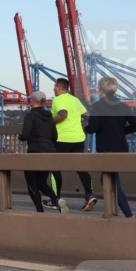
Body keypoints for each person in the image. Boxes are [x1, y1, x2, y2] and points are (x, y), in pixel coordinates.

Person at [86, 77, 136, 218]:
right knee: (109, 178)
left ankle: (127, 214)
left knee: (112, 180)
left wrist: (85, 126)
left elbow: (93, 128)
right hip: (121, 147)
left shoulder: (98, 106)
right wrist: (122, 131)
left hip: (106, 148)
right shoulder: (123, 106)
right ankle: (112, 212)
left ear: (101, 89)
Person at [50, 77, 97, 211]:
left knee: (54, 168)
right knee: (80, 167)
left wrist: (48, 123)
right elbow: (86, 116)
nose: (53, 89)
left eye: (55, 87)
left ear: (60, 88)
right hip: (79, 139)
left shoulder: (58, 99)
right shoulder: (75, 100)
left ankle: (55, 199)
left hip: (62, 139)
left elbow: (63, 114)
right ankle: (89, 195)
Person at [19, 91, 68, 213]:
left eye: (30, 100)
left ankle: (40, 211)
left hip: (35, 153)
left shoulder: (30, 116)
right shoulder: (49, 116)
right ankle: (57, 200)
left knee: (31, 184)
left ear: (33, 101)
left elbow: (25, 135)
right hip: (49, 153)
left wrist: (21, 137)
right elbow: (55, 136)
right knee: (41, 183)